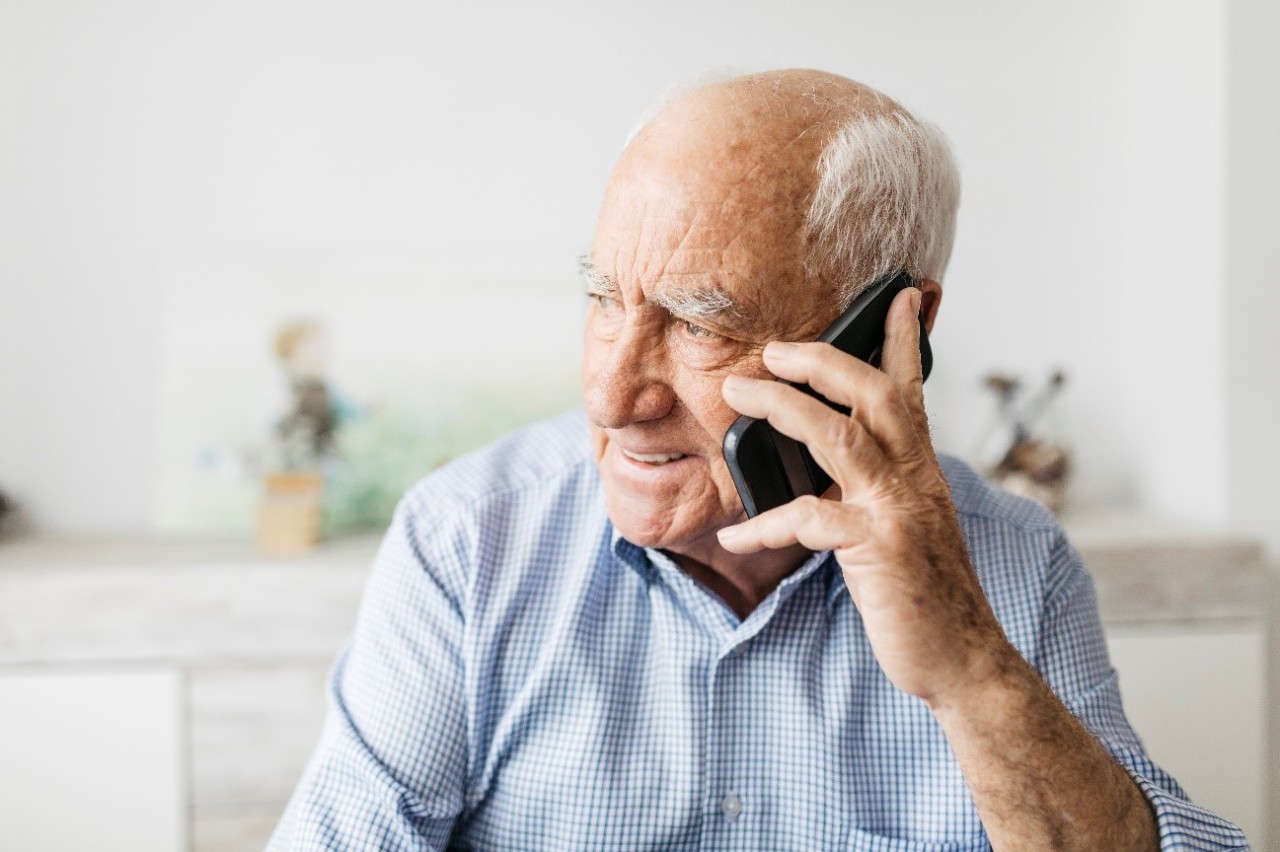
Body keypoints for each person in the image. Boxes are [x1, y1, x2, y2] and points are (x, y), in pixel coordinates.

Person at [269, 70, 1248, 850]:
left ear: (886, 333)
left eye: (700, 323)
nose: (611, 398)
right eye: (603, 298)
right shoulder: (466, 540)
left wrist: (971, 675)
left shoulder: (1009, 564)